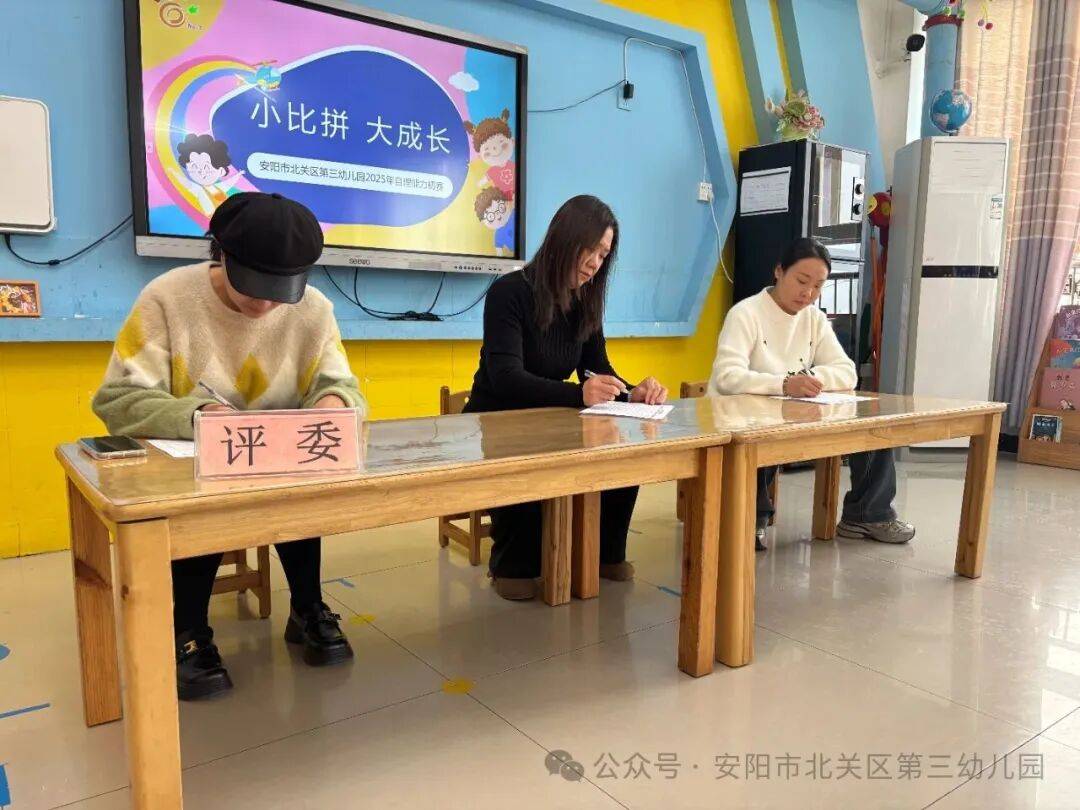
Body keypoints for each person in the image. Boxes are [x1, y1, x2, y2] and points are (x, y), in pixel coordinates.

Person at [93, 192, 365, 700]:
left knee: (297, 489)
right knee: (206, 501)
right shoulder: (167, 298)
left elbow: (344, 387)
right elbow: (117, 399)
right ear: (220, 253)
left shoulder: (313, 309)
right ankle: (188, 629)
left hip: (280, 462)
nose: (263, 305)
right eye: (253, 286)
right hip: (193, 464)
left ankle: (308, 608)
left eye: (279, 291)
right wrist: (199, 415)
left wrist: (333, 401)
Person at [464, 195, 667, 601]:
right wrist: (579, 394)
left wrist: (632, 393)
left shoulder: (585, 301)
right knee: (528, 474)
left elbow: (598, 369)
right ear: (564, 239)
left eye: (603, 255)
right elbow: (506, 378)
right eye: (590, 249)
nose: (595, 263)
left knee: (622, 452)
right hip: (498, 419)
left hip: (553, 419)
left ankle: (606, 553)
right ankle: (510, 562)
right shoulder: (509, 292)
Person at [709, 237, 915, 550]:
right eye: (801, 281)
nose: (808, 293)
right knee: (757, 434)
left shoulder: (814, 319)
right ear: (779, 271)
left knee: (875, 425)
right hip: (741, 414)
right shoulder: (746, 313)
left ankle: (866, 514)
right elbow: (727, 377)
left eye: (818, 286)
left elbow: (846, 371)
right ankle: (749, 518)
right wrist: (783, 383)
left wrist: (811, 378)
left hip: (792, 412)